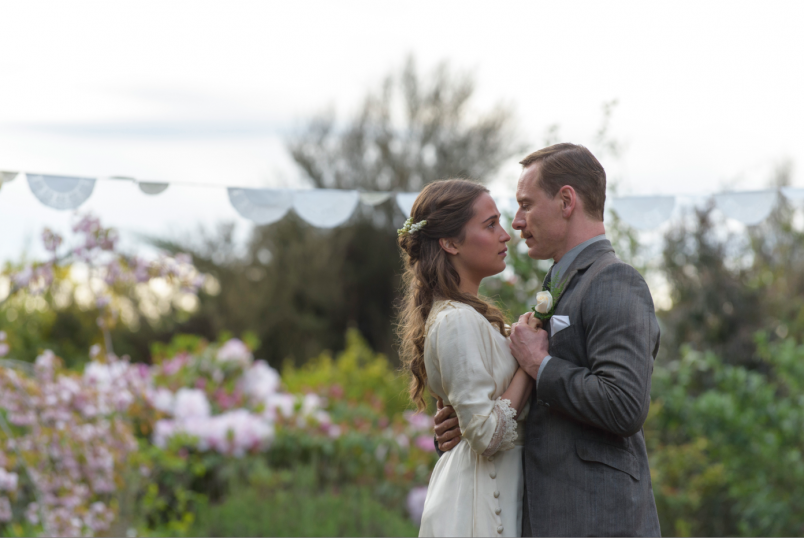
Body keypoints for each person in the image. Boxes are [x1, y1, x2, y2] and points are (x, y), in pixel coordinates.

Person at [434, 143, 662, 536]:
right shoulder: (558, 286)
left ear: (566, 201)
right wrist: (471, 420)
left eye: (525, 204)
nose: (517, 222)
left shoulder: (614, 281)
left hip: (597, 523)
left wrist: (541, 365)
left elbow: (624, 405)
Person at [397, 179, 534, 537]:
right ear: (450, 242)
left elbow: (474, 415)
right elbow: (487, 435)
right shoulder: (456, 321)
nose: (506, 235)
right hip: (476, 506)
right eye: (490, 225)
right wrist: (530, 366)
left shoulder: (470, 317)